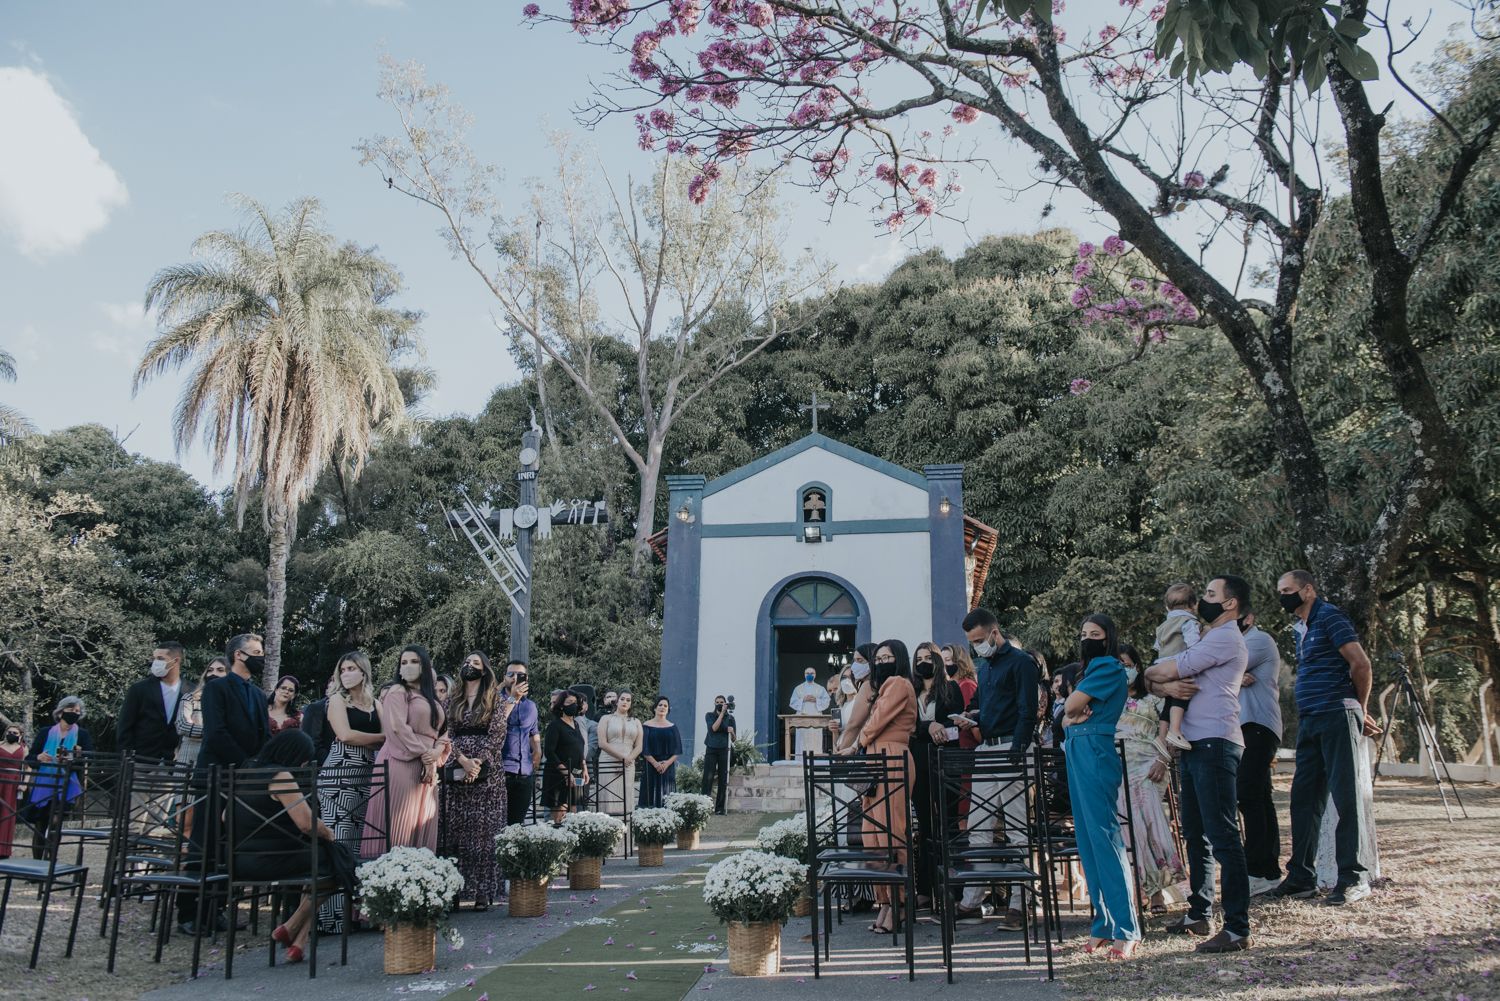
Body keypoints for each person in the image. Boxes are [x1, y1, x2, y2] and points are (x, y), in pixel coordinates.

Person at [1144, 575, 1252, 953]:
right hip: (1191, 744)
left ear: (1230, 603)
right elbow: (1158, 680)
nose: (1201, 600)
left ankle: (1238, 927)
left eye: (1209, 594)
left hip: (1214, 742)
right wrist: (1160, 682)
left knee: (1222, 836)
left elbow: (1164, 671)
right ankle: (1199, 911)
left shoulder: (1224, 638)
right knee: (1194, 832)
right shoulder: (1206, 637)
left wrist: (1158, 679)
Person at [1273, 569, 1378, 905]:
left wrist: (1359, 710)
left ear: (1308, 590)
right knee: (1304, 799)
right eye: (1280, 590)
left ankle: (1354, 878)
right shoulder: (1300, 628)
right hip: (1310, 720)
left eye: (1288, 589)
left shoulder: (1330, 617)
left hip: (1337, 713)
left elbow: (1360, 664)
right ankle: (1301, 877)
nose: (1283, 596)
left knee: (1345, 797)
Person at [955, 609, 1040, 929]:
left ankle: (1021, 904)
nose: (976, 647)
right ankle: (972, 901)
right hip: (986, 747)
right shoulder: (985, 668)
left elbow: (1026, 710)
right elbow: (991, 711)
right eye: (971, 642)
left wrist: (1017, 751)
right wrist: (972, 719)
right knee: (978, 827)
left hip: (1012, 749)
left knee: (1017, 827)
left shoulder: (1021, 662)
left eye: (979, 640)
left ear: (994, 632)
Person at [179, 632, 270, 933]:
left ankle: (217, 908)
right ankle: (189, 913)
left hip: (242, 780)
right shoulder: (217, 689)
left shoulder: (258, 694)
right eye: (256, 652)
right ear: (239, 655)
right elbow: (215, 733)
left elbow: (262, 736)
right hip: (215, 774)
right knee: (203, 844)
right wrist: (243, 763)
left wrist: (260, 764)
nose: (261, 656)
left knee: (228, 845)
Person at [1062, 614, 1141, 959]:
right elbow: (1066, 716)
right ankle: (1103, 923)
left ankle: (1127, 928)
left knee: (1105, 838)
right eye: (1083, 634)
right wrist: (1073, 713)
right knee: (1087, 840)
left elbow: (1069, 707)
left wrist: (1074, 711)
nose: (1088, 639)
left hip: (1095, 750)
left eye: (1095, 634)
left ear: (1108, 638)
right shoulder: (1089, 671)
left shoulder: (1108, 666)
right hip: (1078, 749)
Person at [235, 730, 340, 964]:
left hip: (240, 861)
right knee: (335, 863)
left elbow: (224, 817)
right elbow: (306, 824)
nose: (303, 764)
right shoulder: (281, 776)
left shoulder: (245, 772)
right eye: (304, 758)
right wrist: (329, 833)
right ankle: (291, 926)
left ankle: (299, 943)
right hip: (273, 861)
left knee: (320, 863)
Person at [316, 652, 384, 932]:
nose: (346, 673)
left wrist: (377, 740)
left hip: (368, 773)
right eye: (342, 669)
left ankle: (357, 914)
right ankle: (332, 919)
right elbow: (345, 735)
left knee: (360, 842)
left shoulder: (376, 704)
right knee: (339, 839)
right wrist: (379, 738)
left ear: (363, 672)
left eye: (351, 668)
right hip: (340, 772)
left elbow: (390, 732)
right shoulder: (336, 701)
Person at [1115, 644, 1186, 915]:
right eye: (1117, 665)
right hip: (1117, 770)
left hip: (1149, 767)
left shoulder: (1154, 699)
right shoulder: (1106, 699)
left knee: (1151, 826)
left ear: (1136, 666)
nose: (1122, 669)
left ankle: (1158, 893)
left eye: (1126, 663)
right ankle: (1142, 892)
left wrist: (1162, 760)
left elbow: (1167, 733)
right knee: (1129, 831)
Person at [361, 645, 450, 856]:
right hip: (402, 761)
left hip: (427, 765)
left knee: (423, 821)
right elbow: (398, 728)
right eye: (404, 662)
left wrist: (436, 752)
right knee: (401, 823)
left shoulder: (430, 697)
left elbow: (443, 732)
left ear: (424, 666)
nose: (408, 666)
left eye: (414, 662)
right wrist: (425, 756)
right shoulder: (397, 691)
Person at [443, 651, 512, 907]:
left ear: (484, 670)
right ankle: (456, 889)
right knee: (456, 829)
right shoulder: (451, 701)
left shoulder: (496, 700)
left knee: (485, 832)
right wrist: (462, 759)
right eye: (466, 662)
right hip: (456, 764)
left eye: (475, 663)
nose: (468, 666)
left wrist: (478, 762)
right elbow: (446, 733)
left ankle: (483, 890)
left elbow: (497, 736)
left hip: (488, 770)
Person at [858, 640, 917, 935]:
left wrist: (859, 741)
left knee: (891, 832)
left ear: (899, 659)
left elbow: (878, 721)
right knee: (872, 835)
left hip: (891, 756)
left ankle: (899, 901)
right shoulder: (880, 688)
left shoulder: (899, 683)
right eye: (878, 658)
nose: (882, 662)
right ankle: (884, 900)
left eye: (888, 656)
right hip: (875, 757)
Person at [909, 641, 965, 907]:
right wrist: (928, 726)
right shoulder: (911, 692)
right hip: (918, 762)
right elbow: (908, 726)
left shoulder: (951, 689)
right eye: (918, 658)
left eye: (927, 657)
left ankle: (952, 888)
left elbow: (956, 723)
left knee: (949, 822)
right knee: (925, 824)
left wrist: (938, 727)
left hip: (946, 761)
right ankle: (925, 886)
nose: (923, 662)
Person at [1236, 611, 1285, 897]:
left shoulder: (1258, 640)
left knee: (1248, 793)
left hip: (1258, 724)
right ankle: (1267, 869)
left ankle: (1256, 868)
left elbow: (1220, 666)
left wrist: (1228, 674)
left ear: (1250, 617)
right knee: (1259, 796)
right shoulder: (1240, 642)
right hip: (1244, 725)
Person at [24, 696, 93, 857]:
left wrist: (79, 755)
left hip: (67, 784)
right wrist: (39, 757)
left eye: (77, 711)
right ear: (61, 711)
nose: (75, 713)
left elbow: (90, 759)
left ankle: (50, 862)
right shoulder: (45, 732)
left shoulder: (82, 735)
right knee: (40, 824)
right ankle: (36, 863)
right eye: (71, 710)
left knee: (56, 823)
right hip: (44, 784)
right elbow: (30, 758)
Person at [117, 642, 186, 763]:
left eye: (160, 658)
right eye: (154, 658)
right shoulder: (139, 689)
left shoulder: (190, 690)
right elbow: (124, 727)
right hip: (140, 762)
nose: (155, 662)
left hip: (174, 765)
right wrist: (129, 759)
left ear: (176, 661)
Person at [1155, 583, 1203, 753]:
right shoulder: (1189, 621)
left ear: (1167, 607)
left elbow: (1158, 646)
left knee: (1169, 700)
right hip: (1179, 662)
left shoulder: (1163, 625)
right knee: (1180, 696)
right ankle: (1175, 730)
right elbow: (1193, 643)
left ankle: (1161, 737)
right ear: (1193, 605)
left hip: (1162, 664)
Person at [499, 661, 541, 827]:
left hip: (525, 772)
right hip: (501, 771)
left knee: (517, 825)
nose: (515, 678)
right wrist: (513, 698)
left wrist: (537, 748)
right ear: (504, 678)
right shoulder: (495, 700)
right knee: (499, 824)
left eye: (520, 675)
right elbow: (496, 722)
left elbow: (533, 731)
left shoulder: (530, 706)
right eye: (511, 674)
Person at [543, 689, 588, 822]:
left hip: (576, 774)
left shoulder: (576, 724)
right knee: (559, 815)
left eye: (575, 702)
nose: (573, 705)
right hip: (558, 776)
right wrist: (566, 773)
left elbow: (579, 748)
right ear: (561, 705)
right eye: (569, 702)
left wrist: (584, 767)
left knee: (573, 813)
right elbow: (549, 752)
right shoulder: (555, 726)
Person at [175, 658, 228, 767]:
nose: (214, 673)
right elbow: (182, 726)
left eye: (220, 670)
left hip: (220, 761)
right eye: (210, 670)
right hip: (189, 759)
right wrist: (214, 732)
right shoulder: (191, 698)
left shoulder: (233, 702)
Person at [598, 690, 643, 817]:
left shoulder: (636, 721)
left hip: (628, 764)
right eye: (622, 699)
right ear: (617, 701)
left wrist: (628, 759)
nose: (625, 702)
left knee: (626, 795)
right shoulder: (605, 719)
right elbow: (602, 743)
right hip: (608, 761)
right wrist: (623, 758)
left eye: (628, 700)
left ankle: (625, 834)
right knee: (607, 796)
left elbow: (639, 746)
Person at [833, 644, 879, 754]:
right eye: (854, 660)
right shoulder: (879, 685)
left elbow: (854, 725)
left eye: (860, 660)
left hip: (864, 748)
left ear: (872, 662)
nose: (855, 666)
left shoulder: (868, 686)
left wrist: (840, 755)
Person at [639, 696, 683, 808]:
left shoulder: (673, 727)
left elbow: (677, 750)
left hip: (667, 768)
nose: (662, 707)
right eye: (660, 705)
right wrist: (655, 763)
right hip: (650, 766)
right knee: (649, 796)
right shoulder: (646, 725)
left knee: (666, 797)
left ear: (668, 709)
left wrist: (667, 764)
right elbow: (644, 747)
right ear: (654, 708)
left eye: (665, 706)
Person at [701, 694, 736, 815]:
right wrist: (721, 713)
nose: (719, 704)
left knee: (723, 779)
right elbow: (713, 729)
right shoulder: (709, 715)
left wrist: (731, 732)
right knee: (708, 778)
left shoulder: (730, 718)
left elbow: (734, 739)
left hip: (724, 749)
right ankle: (704, 806)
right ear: (714, 703)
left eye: (722, 702)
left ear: (725, 703)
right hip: (711, 748)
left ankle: (720, 808)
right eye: (717, 702)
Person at [789, 668, 831, 757]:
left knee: (815, 739)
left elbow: (827, 701)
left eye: (812, 673)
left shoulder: (820, 689)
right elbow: (792, 702)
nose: (809, 675)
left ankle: (815, 761)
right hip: (802, 718)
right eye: (807, 673)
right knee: (802, 741)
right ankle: (800, 761)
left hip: (816, 717)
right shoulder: (798, 688)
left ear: (815, 675)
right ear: (804, 674)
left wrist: (817, 700)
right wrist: (802, 700)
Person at [0, 722, 25, 859]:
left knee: (7, 814)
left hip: (13, 783)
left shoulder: (23, 749)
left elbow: (27, 768)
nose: (11, 735)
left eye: (15, 733)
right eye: (9, 732)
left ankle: (3, 849)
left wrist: (24, 784)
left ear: (20, 735)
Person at [576, 693, 599, 809]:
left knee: (580, 805)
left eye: (582, 702)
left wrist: (574, 759)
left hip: (582, 771)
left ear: (586, 706)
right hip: (562, 771)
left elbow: (591, 749)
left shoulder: (593, 725)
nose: (579, 705)